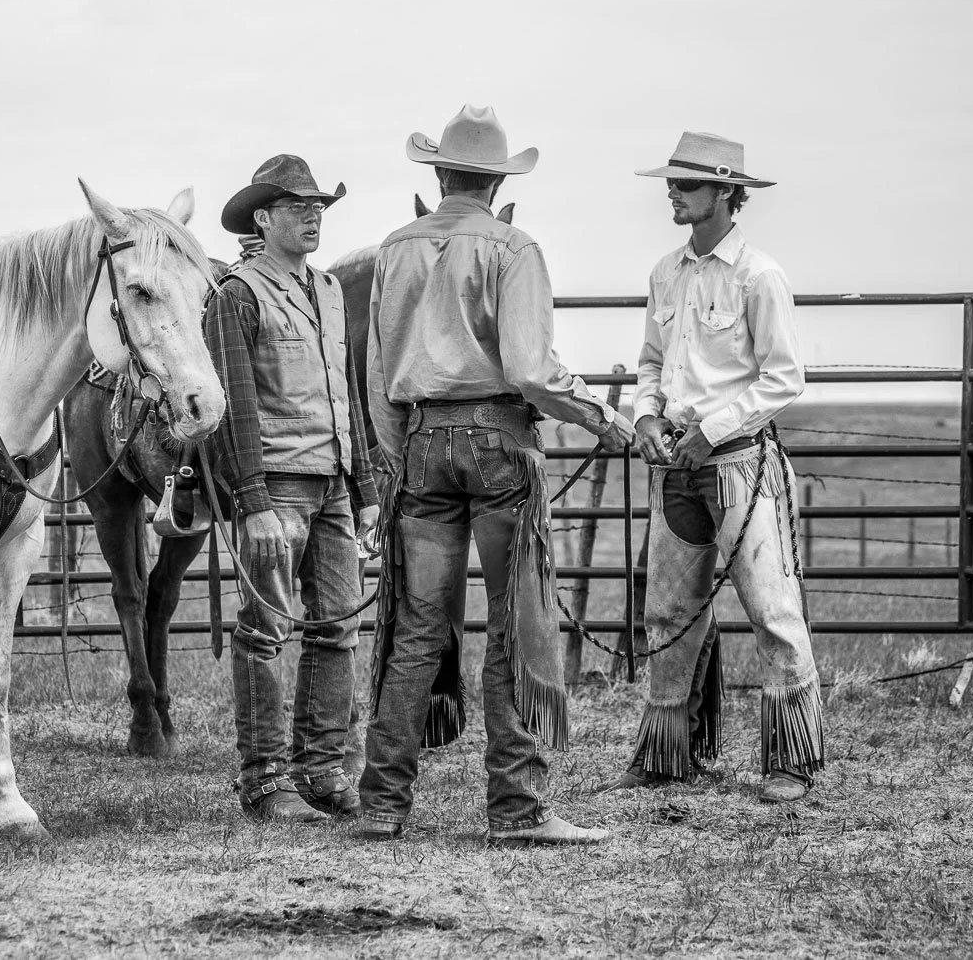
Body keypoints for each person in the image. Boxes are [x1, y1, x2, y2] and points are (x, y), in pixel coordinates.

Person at [358, 105, 634, 846]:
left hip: (420, 446)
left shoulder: (396, 248)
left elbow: (379, 372)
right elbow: (530, 369)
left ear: (440, 173)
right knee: (515, 622)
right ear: (497, 182)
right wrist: (600, 417)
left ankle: (384, 799)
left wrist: (395, 462)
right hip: (498, 444)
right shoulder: (514, 248)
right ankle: (516, 805)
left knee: (416, 625)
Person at [601, 130, 821, 804]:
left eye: (687, 185)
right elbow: (649, 360)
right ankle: (668, 752)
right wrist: (644, 415)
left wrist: (713, 429)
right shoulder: (665, 274)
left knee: (772, 606)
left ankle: (792, 760)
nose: (673, 193)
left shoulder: (759, 276)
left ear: (727, 192)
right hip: (681, 466)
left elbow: (785, 378)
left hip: (739, 466)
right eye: (672, 183)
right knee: (667, 611)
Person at [205, 154, 381, 822]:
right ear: (263, 217)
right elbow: (237, 407)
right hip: (276, 483)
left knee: (338, 626)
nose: (313, 216)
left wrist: (365, 489)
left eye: (319, 207)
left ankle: (323, 770)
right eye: (298, 206)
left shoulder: (329, 290)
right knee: (266, 630)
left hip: (334, 482)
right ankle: (265, 780)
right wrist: (251, 503)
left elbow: (349, 394)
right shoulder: (237, 295)